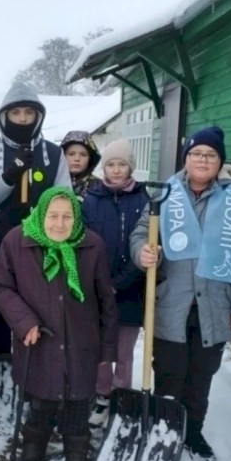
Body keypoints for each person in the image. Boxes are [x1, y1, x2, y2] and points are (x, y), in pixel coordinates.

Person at [131, 126, 231, 461]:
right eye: (196, 153)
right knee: (168, 371)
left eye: (211, 155)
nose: (202, 160)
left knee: (200, 376)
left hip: (216, 307)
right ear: (186, 158)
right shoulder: (165, 194)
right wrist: (142, 253)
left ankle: (192, 432)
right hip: (171, 304)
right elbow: (140, 234)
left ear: (220, 162)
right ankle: (164, 430)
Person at [0, 186, 117, 461]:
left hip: (81, 343)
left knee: (77, 403)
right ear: (41, 214)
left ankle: (76, 455)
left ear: (76, 218)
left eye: (67, 216)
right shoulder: (17, 241)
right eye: (53, 216)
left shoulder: (92, 245)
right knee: (42, 402)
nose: (60, 224)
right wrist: (24, 322)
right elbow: (0, 287)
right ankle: (32, 449)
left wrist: (107, 352)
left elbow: (106, 302)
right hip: (39, 341)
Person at [0, 82, 71, 386]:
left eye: (29, 112)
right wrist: (8, 177)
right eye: (16, 112)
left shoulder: (54, 154)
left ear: (38, 116)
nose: (23, 118)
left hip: (42, 247)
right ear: (5, 116)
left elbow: (66, 200)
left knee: (41, 311)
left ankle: (38, 376)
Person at [81, 139, 149, 428]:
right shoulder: (92, 200)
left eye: (122, 164)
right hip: (98, 289)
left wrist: (120, 282)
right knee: (100, 349)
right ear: (103, 167)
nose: (117, 170)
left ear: (130, 166)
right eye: (111, 164)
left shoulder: (144, 199)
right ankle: (102, 395)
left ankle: (122, 397)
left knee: (123, 350)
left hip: (130, 288)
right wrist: (99, 282)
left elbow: (145, 243)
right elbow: (82, 243)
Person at [60, 130, 101, 200]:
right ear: (62, 156)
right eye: (71, 154)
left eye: (83, 154)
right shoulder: (54, 183)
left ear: (90, 158)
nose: (77, 159)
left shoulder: (100, 187)